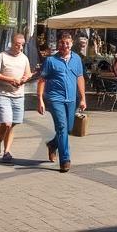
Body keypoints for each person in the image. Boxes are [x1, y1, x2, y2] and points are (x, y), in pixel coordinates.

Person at [37, 32, 86, 173]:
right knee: (62, 127)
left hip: (72, 99)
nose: (64, 45)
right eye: (62, 43)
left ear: (71, 44)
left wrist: (83, 98)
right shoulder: (50, 61)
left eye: (67, 43)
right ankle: (65, 160)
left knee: (68, 129)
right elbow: (42, 80)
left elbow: (80, 78)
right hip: (55, 99)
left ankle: (53, 145)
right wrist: (40, 100)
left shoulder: (76, 59)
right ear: (58, 44)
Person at [0, 33, 32, 163]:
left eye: (22, 45)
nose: (20, 47)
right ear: (12, 43)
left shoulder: (24, 58)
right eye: (18, 44)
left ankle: (6, 151)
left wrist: (25, 79)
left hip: (18, 95)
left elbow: (28, 74)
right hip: (3, 94)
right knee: (6, 123)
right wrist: (10, 80)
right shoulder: (2, 56)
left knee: (11, 125)